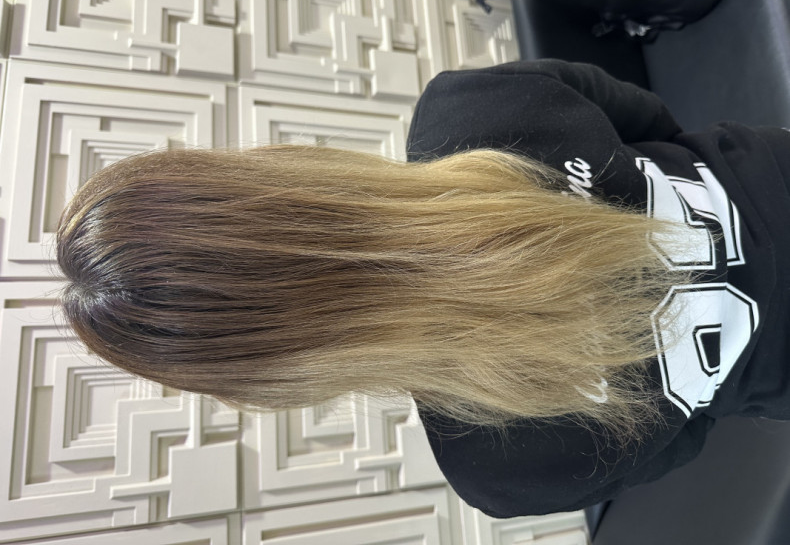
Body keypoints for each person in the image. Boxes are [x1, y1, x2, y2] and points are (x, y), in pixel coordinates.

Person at [56, 60, 790, 518]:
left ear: (266, 371)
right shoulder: (474, 107)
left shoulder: (499, 469)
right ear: (267, 174)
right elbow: (647, 116)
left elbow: (683, 441)